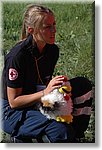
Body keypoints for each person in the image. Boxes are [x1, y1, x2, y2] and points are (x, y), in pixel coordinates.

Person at [1, 4, 93, 143]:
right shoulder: (17, 57)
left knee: (83, 85)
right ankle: (23, 136)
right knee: (60, 130)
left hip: (38, 100)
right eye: (47, 27)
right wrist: (46, 92)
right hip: (12, 112)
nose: (54, 30)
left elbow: (43, 83)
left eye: (54, 24)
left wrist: (58, 87)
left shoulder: (52, 50)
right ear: (32, 30)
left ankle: (76, 135)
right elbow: (14, 102)